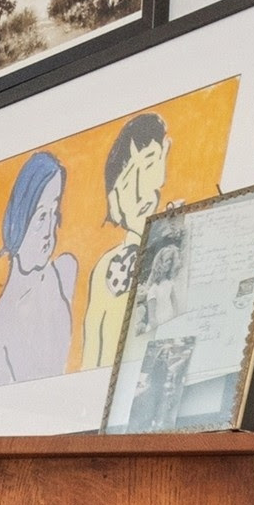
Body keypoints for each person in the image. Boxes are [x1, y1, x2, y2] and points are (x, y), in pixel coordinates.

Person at [0, 150, 79, 387]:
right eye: (41, 216)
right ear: (19, 219)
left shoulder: (65, 271)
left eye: (54, 212)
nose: (49, 230)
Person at [79, 111, 172, 375]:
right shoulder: (106, 267)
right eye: (129, 179)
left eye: (151, 163)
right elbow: (91, 356)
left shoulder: (174, 243)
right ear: (114, 198)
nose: (142, 189)